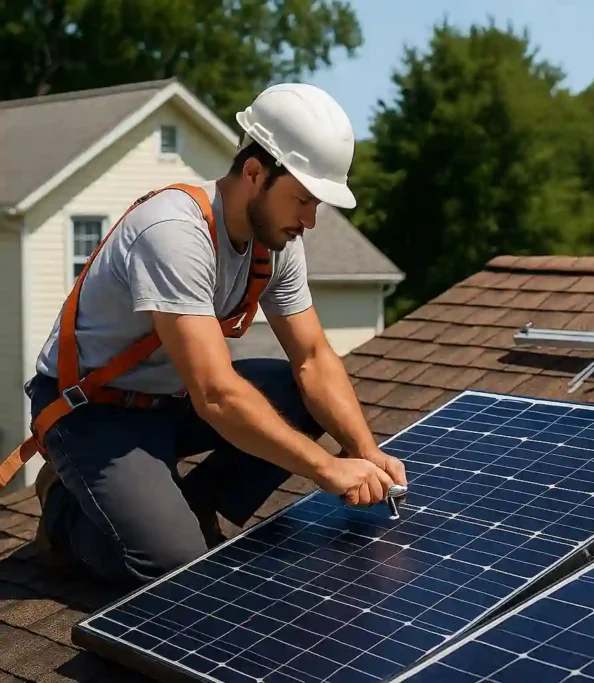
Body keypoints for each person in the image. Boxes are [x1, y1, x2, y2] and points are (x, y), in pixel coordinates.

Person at [11, 83, 405, 586]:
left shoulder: (276, 244)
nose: (309, 221)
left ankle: (195, 508)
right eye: (303, 199)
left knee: (298, 394)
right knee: (171, 568)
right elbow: (216, 394)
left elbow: (313, 358)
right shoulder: (173, 232)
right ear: (255, 173)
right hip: (94, 411)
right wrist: (328, 468)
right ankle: (65, 513)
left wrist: (364, 451)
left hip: (170, 402)